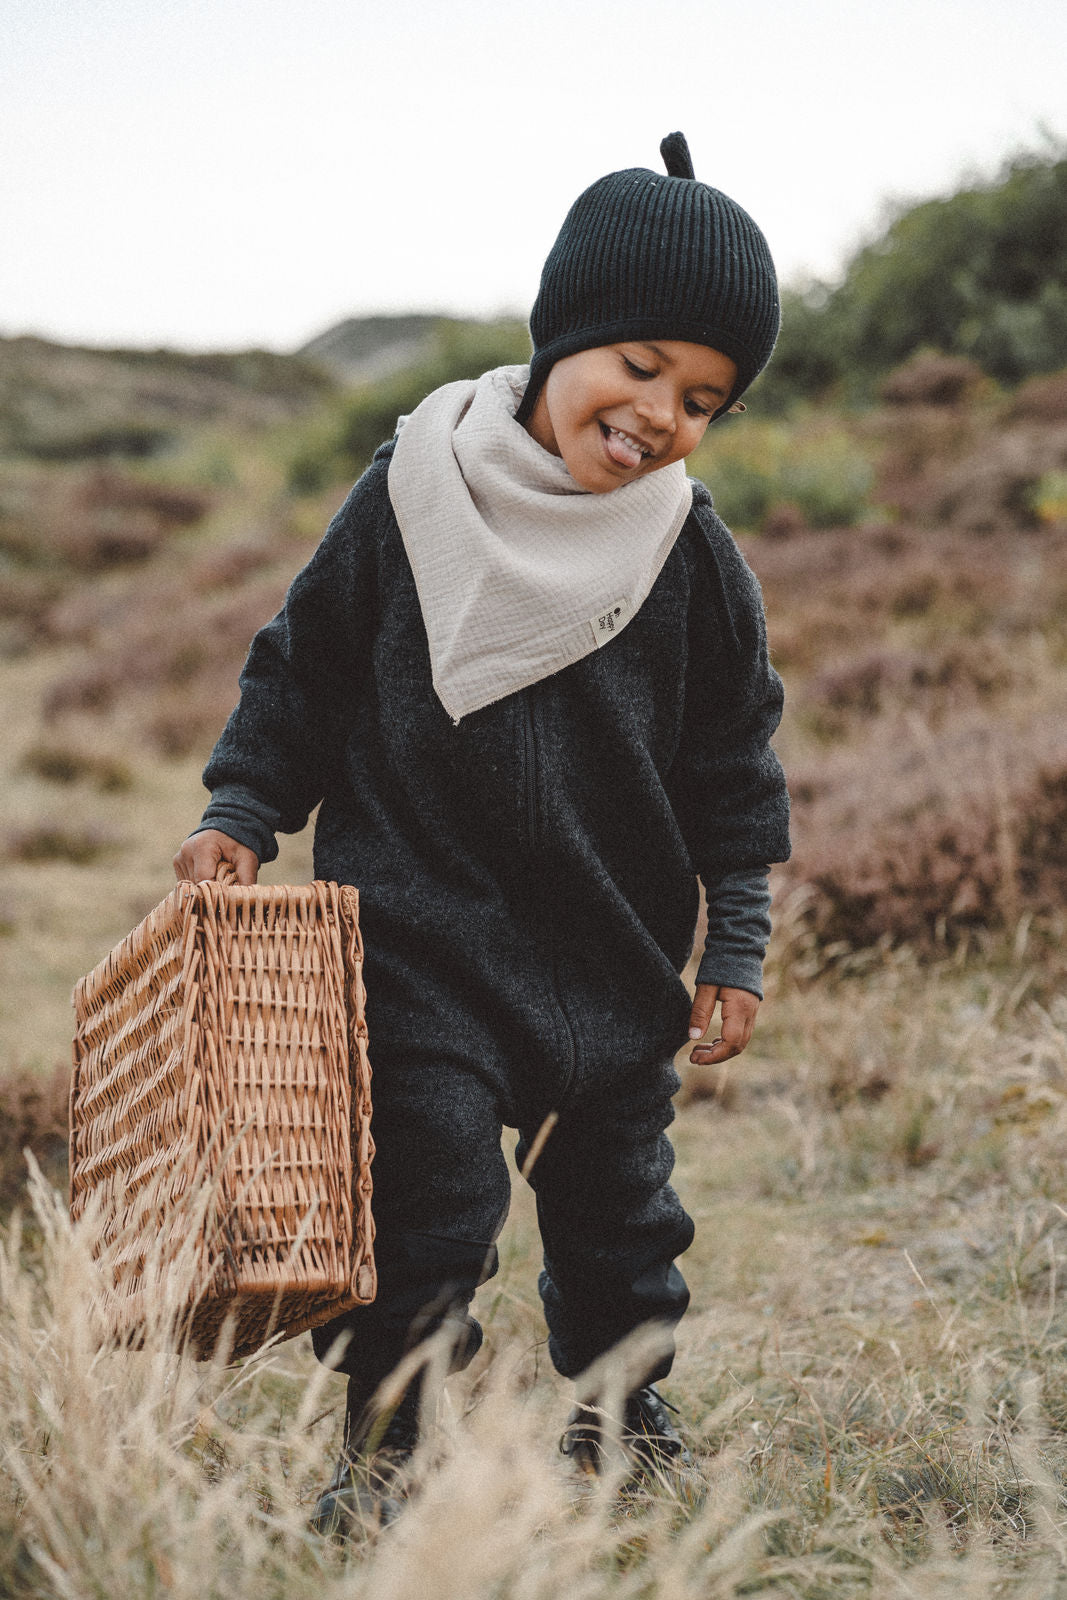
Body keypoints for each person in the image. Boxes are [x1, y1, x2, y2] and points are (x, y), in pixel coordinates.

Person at [174, 130, 790, 1527]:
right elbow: (304, 667)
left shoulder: (687, 555)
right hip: (419, 946)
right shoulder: (412, 492)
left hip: (619, 962)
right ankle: (391, 1456)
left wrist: (735, 940)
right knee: (426, 1220)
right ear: (561, 333)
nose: (660, 417)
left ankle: (623, 1416)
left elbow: (731, 762)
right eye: (638, 365)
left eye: (705, 398)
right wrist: (242, 809)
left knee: (625, 1232)